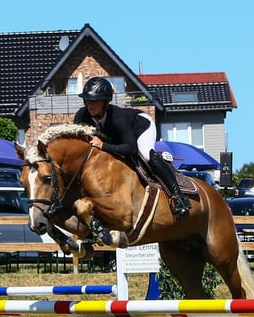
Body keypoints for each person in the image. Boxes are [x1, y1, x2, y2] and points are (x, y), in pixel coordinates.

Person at [74, 77, 191, 219]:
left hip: (141, 127)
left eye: (95, 101)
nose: (90, 104)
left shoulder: (117, 118)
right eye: (87, 100)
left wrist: (103, 145)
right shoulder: (81, 116)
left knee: (146, 153)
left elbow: (131, 149)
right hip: (119, 139)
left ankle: (179, 197)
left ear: (105, 102)